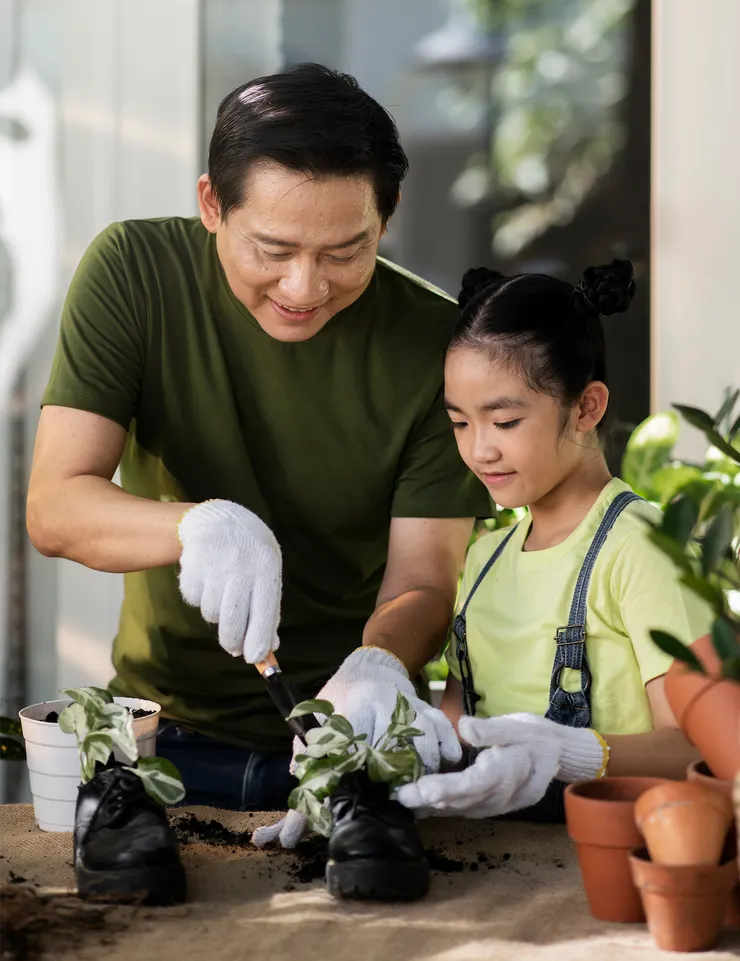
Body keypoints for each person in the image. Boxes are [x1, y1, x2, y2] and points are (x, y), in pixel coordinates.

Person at [26, 63, 490, 814]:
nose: (305, 287)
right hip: (156, 738)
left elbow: (424, 581)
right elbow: (54, 506)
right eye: (272, 249)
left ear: (389, 214)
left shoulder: (439, 347)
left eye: (345, 250)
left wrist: (377, 665)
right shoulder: (135, 274)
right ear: (212, 203)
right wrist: (198, 524)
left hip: (345, 745)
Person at [397, 261, 711, 823]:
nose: (479, 451)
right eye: (460, 423)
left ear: (587, 406)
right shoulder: (484, 558)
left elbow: (699, 748)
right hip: (490, 866)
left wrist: (574, 754)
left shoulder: (640, 549)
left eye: (505, 421)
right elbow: (454, 730)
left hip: (596, 861)